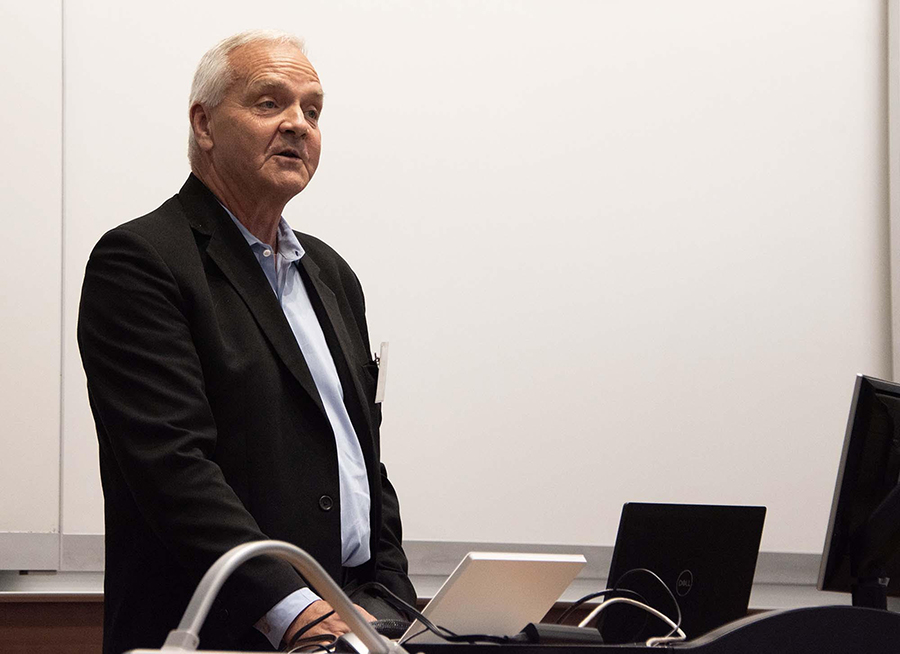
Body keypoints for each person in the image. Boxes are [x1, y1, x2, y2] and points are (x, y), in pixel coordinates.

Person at [77, 29, 416, 654]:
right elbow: (172, 468)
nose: (298, 125)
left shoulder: (333, 275)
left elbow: (360, 459)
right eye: (269, 104)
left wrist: (390, 599)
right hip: (222, 632)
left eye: (312, 111)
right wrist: (292, 612)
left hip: (353, 631)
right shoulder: (141, 262)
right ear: (204, 125)